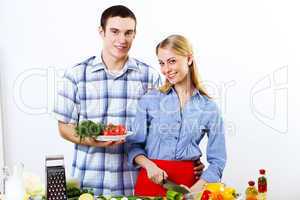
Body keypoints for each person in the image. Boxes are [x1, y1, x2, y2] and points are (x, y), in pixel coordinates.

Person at [53, 6, 204, 196]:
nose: (122, 40)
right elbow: (64, 127)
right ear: (101, 31)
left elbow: (165, 129)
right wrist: (95, 141)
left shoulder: (150, 77)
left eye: (128, 33)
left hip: (136, 183)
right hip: (88, 182)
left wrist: (188, 159)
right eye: (115, 31)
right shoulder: (76, 75)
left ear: (135, 34)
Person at [128, 34, 227, 196]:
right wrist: (149, 166)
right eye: (161, 63)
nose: (166, 69)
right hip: (150, 181)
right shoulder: (149, 100)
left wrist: (197, 188)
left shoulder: (209, 108)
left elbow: (218, 160)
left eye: (172, 61)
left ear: (189, 59)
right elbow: (134, 145)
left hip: (188, 185)